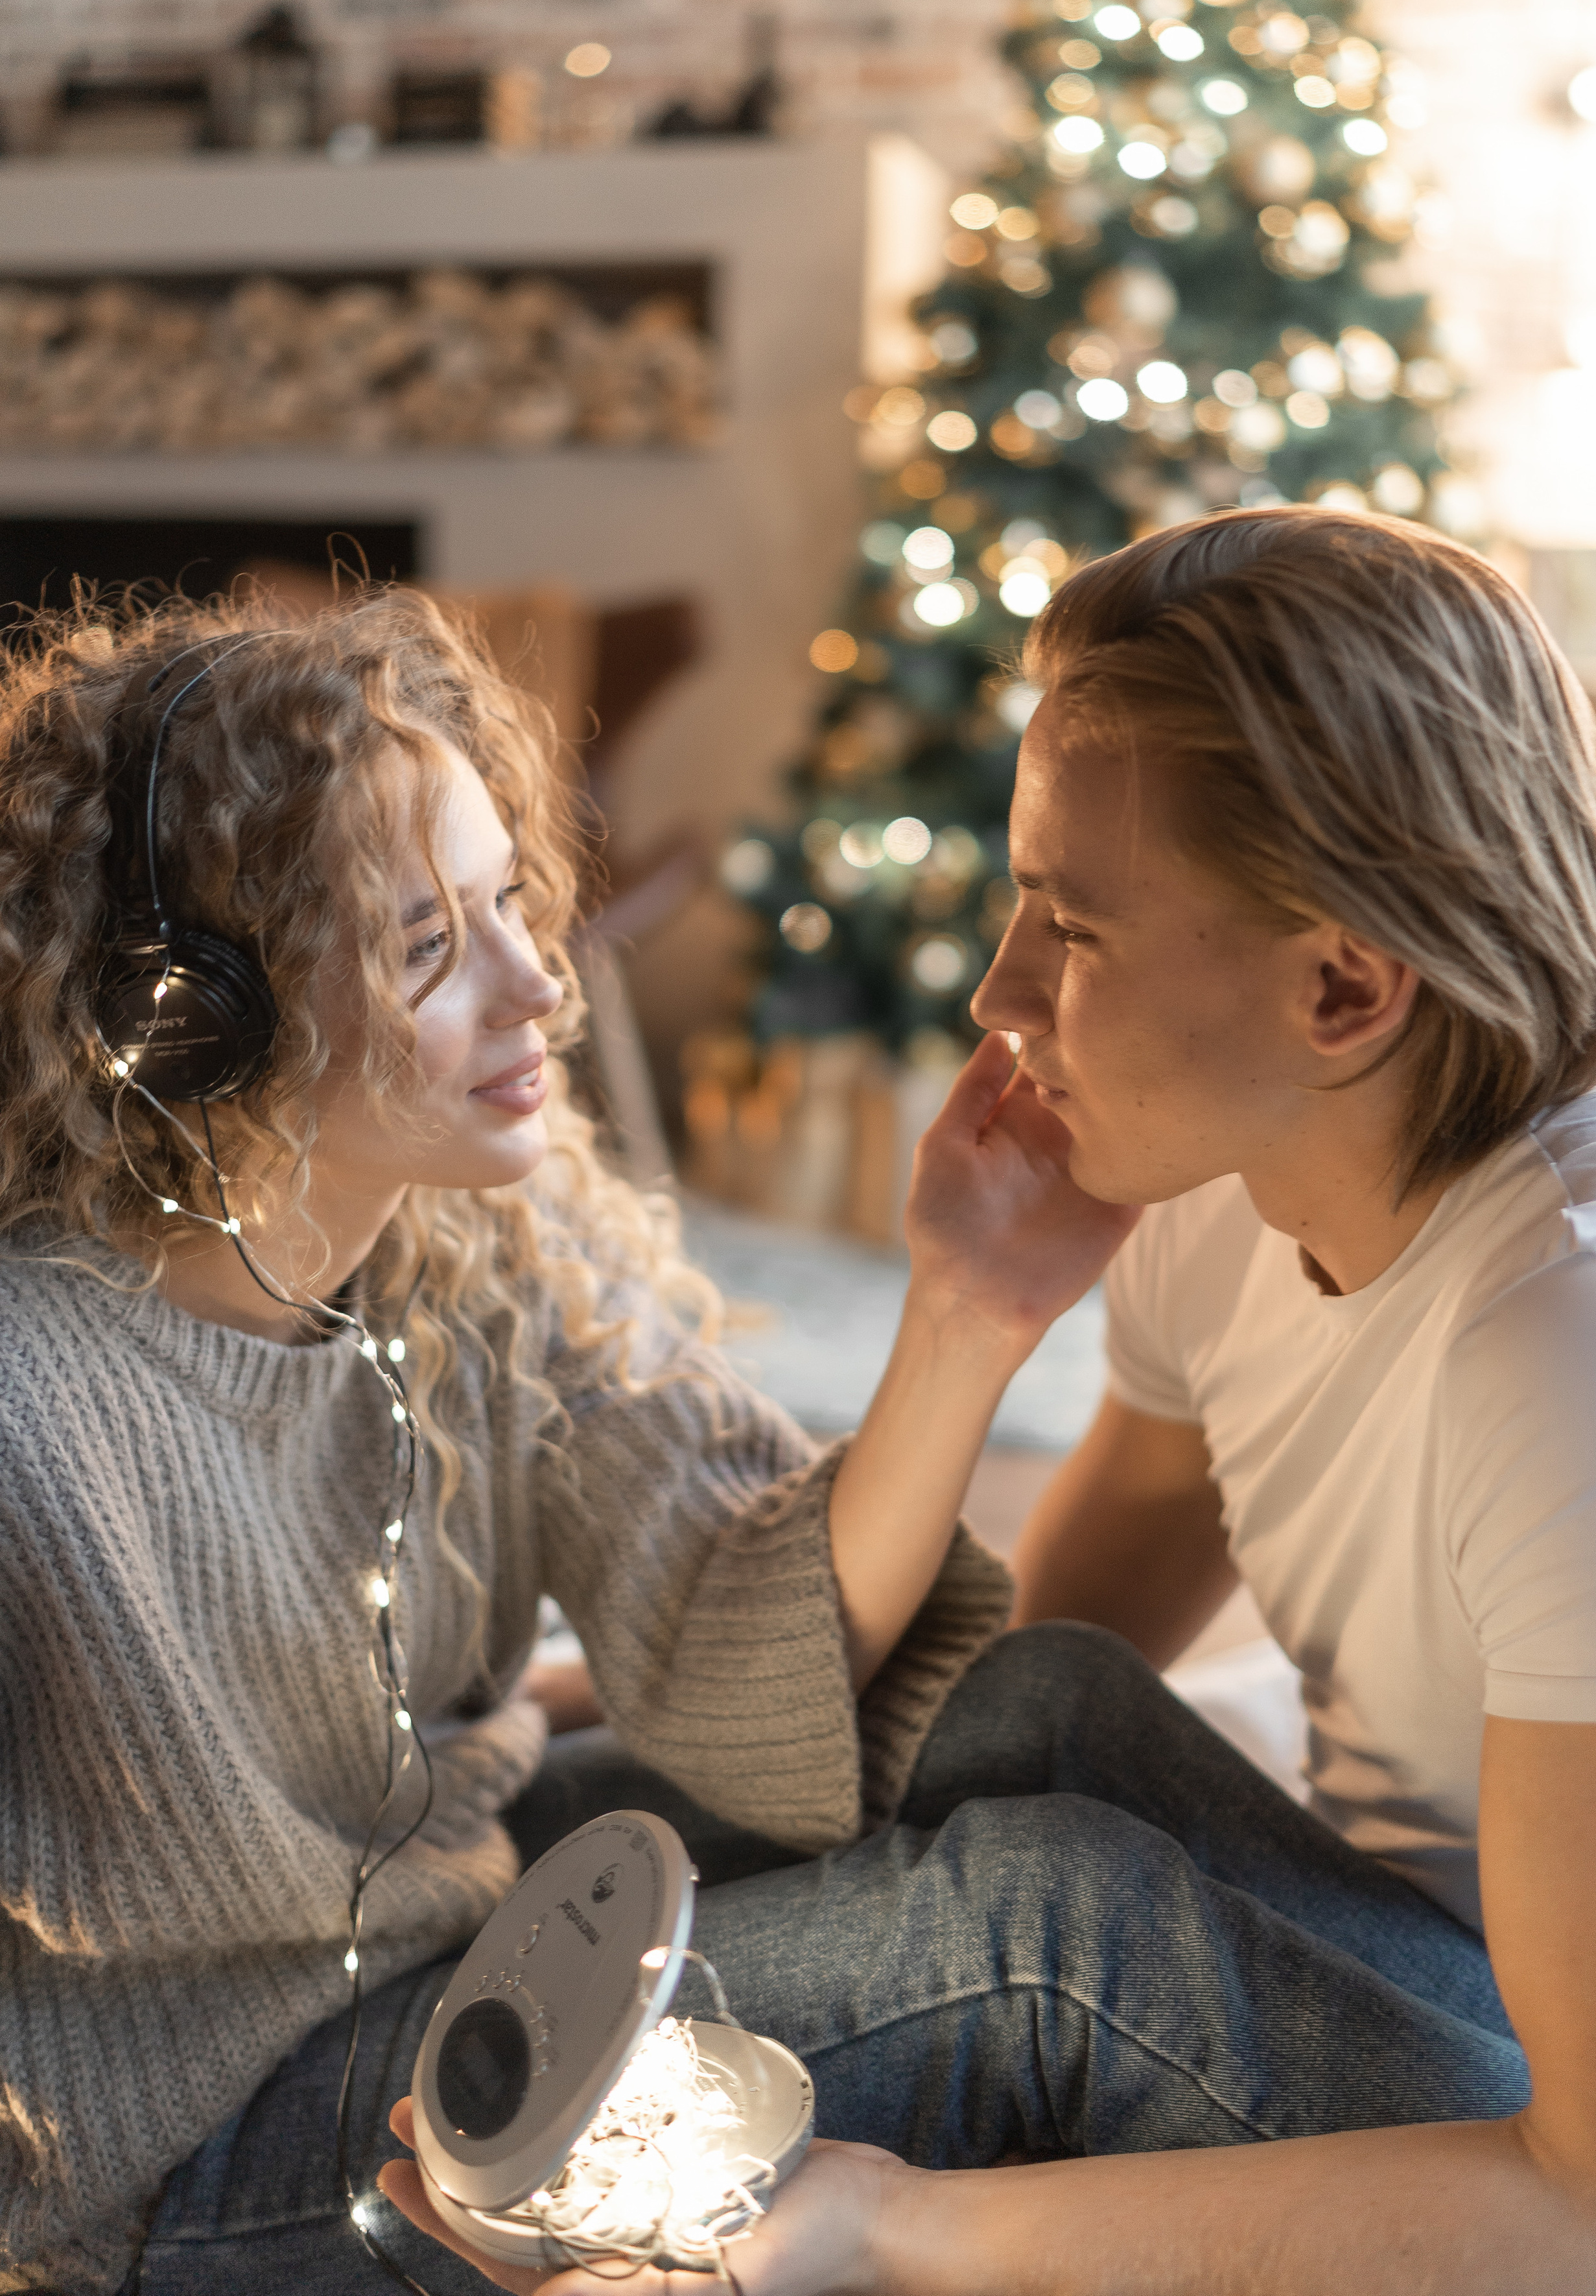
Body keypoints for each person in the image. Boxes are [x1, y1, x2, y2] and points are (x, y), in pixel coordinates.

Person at [378, 509, 1596, 2296]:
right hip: (1398, 1968)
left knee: (1064, 1915)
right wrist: (557, 1722)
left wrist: (902, 2228)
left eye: (1072, 925)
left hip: (1547, 2133)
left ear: (1345, 986)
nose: (1000, 994)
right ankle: (422, 1942)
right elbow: (1027, 1675)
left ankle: (372, 2120)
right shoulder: (1227, 1206)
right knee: (1040, 1699)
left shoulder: (1589, 1347)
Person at [0, 588, 1123, 2296]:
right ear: (191, 1021)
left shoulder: (482, 1250)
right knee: (1050, 1935)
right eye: (430, 947)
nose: (541, 984)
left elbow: (742, 1626)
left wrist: (969, 1312)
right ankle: (1544, 2196)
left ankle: (1536, 2122)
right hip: (196, 2165)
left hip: (446, 1934)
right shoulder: (31, 1394)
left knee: (1051, 1715)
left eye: (508, 899)